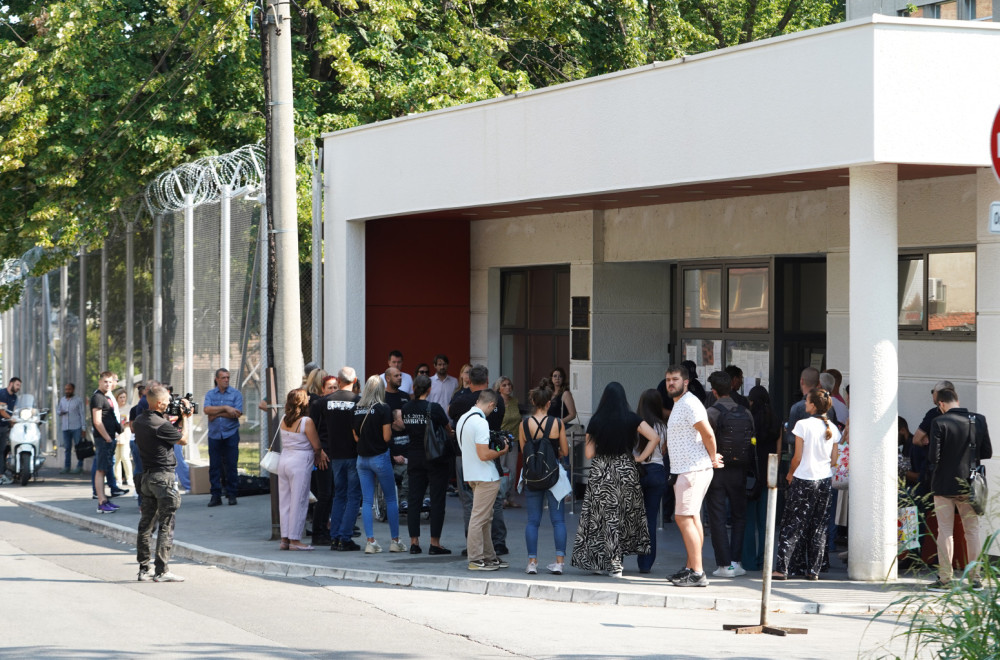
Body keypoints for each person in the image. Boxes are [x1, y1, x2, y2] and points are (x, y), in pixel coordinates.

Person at [571, 382, 654, 578]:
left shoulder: (596, 420)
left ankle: (601, 562)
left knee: (600, 517)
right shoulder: (632, 418)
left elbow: (589, 454)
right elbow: (655, 437)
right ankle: (616, 563)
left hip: (601, 471)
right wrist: (640, 458)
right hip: (625, 469)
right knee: (621, 516)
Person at [926, 389, 992, 592]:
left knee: (945, 530)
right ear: (957, 400)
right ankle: (976, 578)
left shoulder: (939, 422)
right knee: (971, 531)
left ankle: (945, 579)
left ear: (941, 404)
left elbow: (933, 458)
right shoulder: (978, 420)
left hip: (944, 485)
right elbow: (987, 452)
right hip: (970, 485)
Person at [773, 388, 840, 581]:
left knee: (793, 524)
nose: (805, 404)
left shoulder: (803, 425)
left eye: (807, 401)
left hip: (804, 478)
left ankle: (784, 568)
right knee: (818, 525)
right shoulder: (833, 428)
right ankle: (814, 569)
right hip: (824, 479)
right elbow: (834, 459)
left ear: (813, 405)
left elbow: (797, 456)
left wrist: (790, 473)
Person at [665, 364, 720, 587]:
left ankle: (697, 572)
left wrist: (714, 457)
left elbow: (707, 432)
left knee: (683, 517)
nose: (671, 383)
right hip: (687, 468)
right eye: (668, 379)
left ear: (685, 382)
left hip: (692, 469)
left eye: (675, 379)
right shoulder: (681, 404)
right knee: (692, 517)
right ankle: (691, 567)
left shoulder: (689, 403)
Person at [449, 365, 509, 555]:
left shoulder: (461, 402)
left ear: (469, 380)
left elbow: (450, 413)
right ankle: (497, 543)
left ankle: (473, 547)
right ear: (487, 378)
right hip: (490, 451)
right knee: (494, 503)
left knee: (470, 503)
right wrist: (503, 449)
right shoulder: (496, 400)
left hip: (464, 455)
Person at [133, 384, 189, 582]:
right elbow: (183, 440)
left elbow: (164, 428)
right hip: (163, 478)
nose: (169, 403)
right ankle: (162, 570)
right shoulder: (161, 425)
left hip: (146, 477)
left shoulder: (139, 421)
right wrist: (186, 419)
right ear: (158, 403)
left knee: (146, 525)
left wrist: (176, 417)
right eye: (166, 401)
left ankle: (143, 569)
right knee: (166, 524)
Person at [705, 371, 754, 578]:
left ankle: (725, 566)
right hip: (740, 470)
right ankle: (736, 562)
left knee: (716, 517)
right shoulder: (746, 411)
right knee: (739, 516)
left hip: (717, 469)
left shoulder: (711, 412)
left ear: (714, 391)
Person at [458, 389, 511, 571]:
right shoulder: (480, 423)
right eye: (493, 407)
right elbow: (484, 454)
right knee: (480, 518)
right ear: (491, 405)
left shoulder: (463, 419)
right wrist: (502, 451)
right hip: (485, 476)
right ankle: (476, 558)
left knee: (485, 518)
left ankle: (489, 556)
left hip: (472, 474)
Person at [520, 383, 570, 575]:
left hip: (532, 475)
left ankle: (532, 562)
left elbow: (524, 450)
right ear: (549, 403)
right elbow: (565, 451)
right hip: (553, 475)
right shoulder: (558, 423)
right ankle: (559, 563)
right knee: (558, 521)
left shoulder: (524, 425)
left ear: (532, 401)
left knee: (533, 521)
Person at [401, 374, 453, 555]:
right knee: (437, 500)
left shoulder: (406, 408)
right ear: (429, 389)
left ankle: (414, 542)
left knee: (414, 500)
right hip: (435, 457)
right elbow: (448, 428)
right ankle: (434, 543)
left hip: (414, 456)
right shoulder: (434, 408)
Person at [312, 366, 363, 551]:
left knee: (339, 496)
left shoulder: (323, 402)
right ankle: (345, 537)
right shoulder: (359, 402)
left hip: (334, 455)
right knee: (353, 497)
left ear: (339, 382)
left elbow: (313, 427)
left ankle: (335, 538)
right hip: (353, 455)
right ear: (355, 381)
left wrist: (319, 450)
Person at [353, 375, 405, 554]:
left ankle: (370, 541)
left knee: (367, 500)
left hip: (362, 459)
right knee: (391, 498)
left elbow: (355, 436)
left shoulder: (357, 408)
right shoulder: (383, 408)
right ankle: (395, 541)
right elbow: (386, 437)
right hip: (380, 457)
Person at [277, 389, 329, 551]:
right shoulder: (306, 421)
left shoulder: (283, 419)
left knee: (284, 502)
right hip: (300, 462)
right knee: (299, 501)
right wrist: (319, 455)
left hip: (284, 459)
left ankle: (284, 539)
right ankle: (295, 540)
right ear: (303, 402)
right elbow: (316, 445)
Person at [743, 385, 781, 570]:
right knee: (766, 522)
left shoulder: (749, 420)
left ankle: (749, 561)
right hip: (769, 475)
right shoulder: (775, 421)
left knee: (749, 521)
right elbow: (779, 452)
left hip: (751, 475)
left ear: (752, 401)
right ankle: (764, 560)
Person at [634, 389, 668, 574]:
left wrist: (639, 458)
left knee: (630, 517)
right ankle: (645, 564)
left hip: (637, 472)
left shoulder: (636, 424)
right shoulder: (662, 426)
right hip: (657, 472)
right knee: (650, 520)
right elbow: (663, 451)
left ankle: (619, 559)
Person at [203, 368, 244, 507]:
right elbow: (207, 410)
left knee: (231, 464)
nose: (226, 380)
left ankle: (232, 494)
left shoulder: (236, 394)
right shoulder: (210, 394)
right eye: (223, 378)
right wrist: (226, 407)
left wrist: (218, 413)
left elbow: (237, 414)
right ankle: (215, 495)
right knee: (214, 466)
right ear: (217, 379)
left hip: (230, 433)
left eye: (228, 377)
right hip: (214, 435)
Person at [91, 372, 122, 513]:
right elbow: (97, 421)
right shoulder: (98, 397)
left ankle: (104, 500)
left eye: (110, 382)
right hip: (103, 439)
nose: (108, 384)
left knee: (103, 470)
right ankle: (101, 502)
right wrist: (107, 438)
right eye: (105, 382)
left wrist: (119, 430)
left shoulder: (106, 397)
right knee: (100, 470)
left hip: (109, 437)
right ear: (100, 382)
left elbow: (111, 418)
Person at [384, 367, 411, 511]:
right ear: (388, 378)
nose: (400, 378)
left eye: (401, 375)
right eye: (396, 376)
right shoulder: (382, 397)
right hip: (389, 441)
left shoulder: (405, 397)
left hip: (405, 439)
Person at [496, 376, 522, 508]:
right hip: (500, 441)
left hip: (514, 440)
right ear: (499, 388)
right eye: (504, 385)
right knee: (501, 469)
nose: (508, 387)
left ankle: (510, 497)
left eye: (509, 385)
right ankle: (501, 498)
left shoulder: (514, 401)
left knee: (512, 470)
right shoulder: (496, 402)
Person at [57, 382, 87, 474]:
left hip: (76, 427)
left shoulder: (78, 400)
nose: (67, 391)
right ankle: (67, 467)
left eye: (69, 389)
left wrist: (83, 428)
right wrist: (60, 412)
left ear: (73, 390)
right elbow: (58, 410)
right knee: (67, 448)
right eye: (66, 389)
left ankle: (80, 466)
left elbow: (82, 414)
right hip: (65, 427)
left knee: (78, 447)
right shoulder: (62, 400)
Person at [0, 377, 20, 484]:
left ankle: (4, 473)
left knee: (4, 450)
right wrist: (11, 420)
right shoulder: (2, 393)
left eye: (19, 386)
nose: (18, 388)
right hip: (1, 425)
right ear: (11, 383)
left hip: (5, 426)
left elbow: (14, 411)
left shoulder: (15, 397)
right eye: (17, 385)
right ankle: (1, 475)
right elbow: (1, 410)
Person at [113, 388, 134, 486]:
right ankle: (118, 479)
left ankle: (129, 478)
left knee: (125, 457)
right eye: (120, 397)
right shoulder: (114, 408)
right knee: (117, 458)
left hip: (125, 433)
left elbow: (131, 420)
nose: (122, 399)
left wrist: (126, 422)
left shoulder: (129, 408)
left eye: (124, 397)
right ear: (117, 398)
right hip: (116, 434)